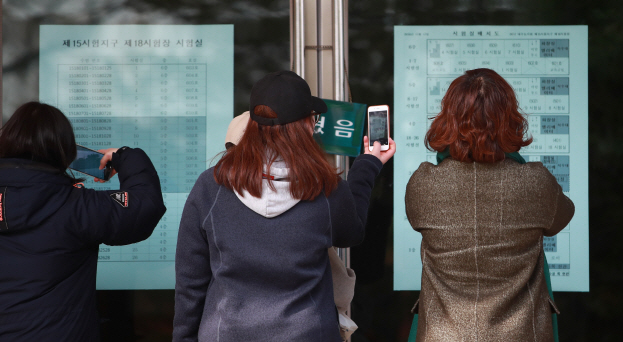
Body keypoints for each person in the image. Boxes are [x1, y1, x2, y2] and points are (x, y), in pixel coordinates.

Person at [173, 70, 396, 341]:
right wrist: (369, 163)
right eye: (313, 118)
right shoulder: (325, 188)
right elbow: (353, 231)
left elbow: (190, 282)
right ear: (305, 125)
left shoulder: (212, 185)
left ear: (253, 124)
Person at [405, 68, 574, 341]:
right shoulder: (536, 182)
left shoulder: (423, 183)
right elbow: (563, 217)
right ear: (510, 119)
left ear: (448, 118)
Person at [0, 102, 166, 341]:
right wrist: (125, 157)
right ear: (66, 153)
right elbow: (144, 205)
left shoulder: (73, 203)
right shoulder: (75, 206)